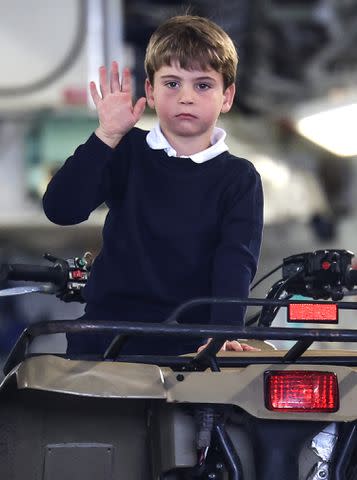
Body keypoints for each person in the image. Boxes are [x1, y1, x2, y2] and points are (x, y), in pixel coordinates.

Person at [43, 14, 264, 356]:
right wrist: (106, 136)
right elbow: (61, 209)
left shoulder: (239, 178)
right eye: (172, 83)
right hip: (105, 338)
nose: (186, 96)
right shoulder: (126, 149)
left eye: (203, 85)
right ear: (150, 90)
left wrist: (222, 336)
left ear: (227, 96)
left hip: (190, 349)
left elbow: (235, 261)